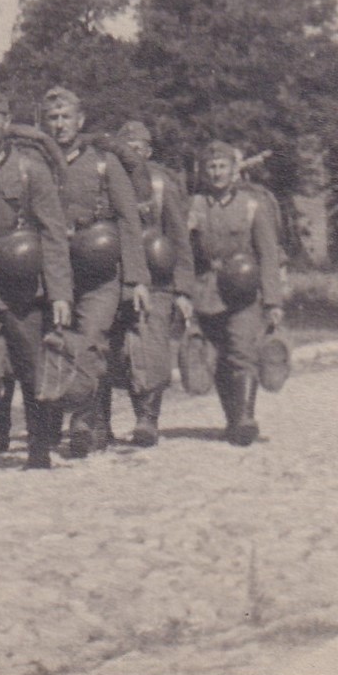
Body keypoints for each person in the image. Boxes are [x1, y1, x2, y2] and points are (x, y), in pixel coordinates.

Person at [0, 87, 73, 470]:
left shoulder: (30, 170)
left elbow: (53, 234)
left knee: (29, 357)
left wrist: (59, 293)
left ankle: (39, 442)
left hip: (22, 274)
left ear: (7, 124)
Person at [40, 88, 150, 458]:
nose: (59, 125)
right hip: (56, 270)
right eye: (52, 118)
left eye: (65, 117)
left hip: (101, 272)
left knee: (92, 340)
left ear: (80, 121)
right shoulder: (39, 161)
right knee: (58, 341)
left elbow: (129, 220)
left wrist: (135, 279)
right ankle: (57, 420)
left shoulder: (104, 161)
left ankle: (84, 422)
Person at [187, 140, 284, 446]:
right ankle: (232, 417)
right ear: (204, 172)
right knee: (218, 357)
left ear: (234, 171)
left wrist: (272, 300)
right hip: (207, 291)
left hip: (243, 290)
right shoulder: (194, 205)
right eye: (211, 167)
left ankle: (245, 417)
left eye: (222, 167)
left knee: (243, 349)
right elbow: (183, 254)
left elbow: (268, 254)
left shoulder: (253, 205)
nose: (216, 173)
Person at [111, 120, 195, 446]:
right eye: (125, 150)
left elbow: (180, 239)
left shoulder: (162, 185)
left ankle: (148, 417)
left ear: (147, 152)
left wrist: (183, 289)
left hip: (157, 278)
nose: (131, 157)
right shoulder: (110, 182)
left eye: (137, 150)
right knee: (121, 350)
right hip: (118, 277)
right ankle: (112, 420)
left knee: (151, 344)